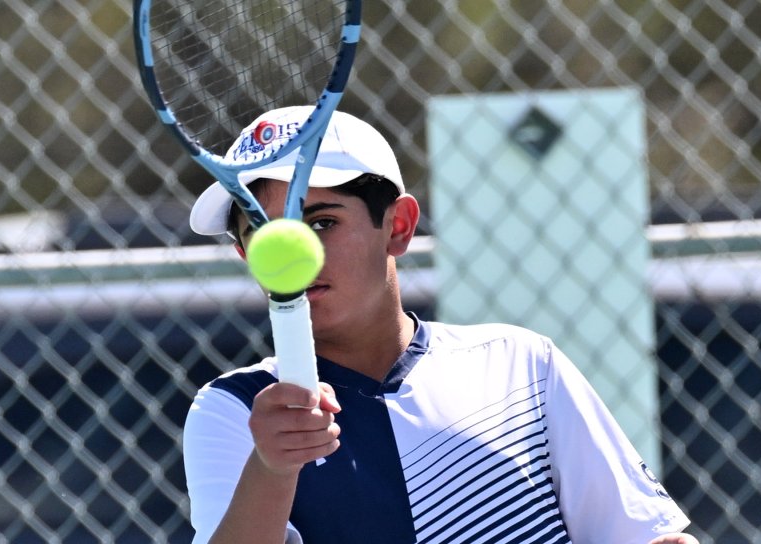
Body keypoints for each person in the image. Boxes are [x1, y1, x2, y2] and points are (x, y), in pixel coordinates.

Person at [184, 106, 699, 544]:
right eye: (263, 232)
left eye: (323, 222)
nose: (296, 255)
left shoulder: (522, 364)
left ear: (398, 226)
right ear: (243, 252)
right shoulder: (230, 410)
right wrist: (273, 468)